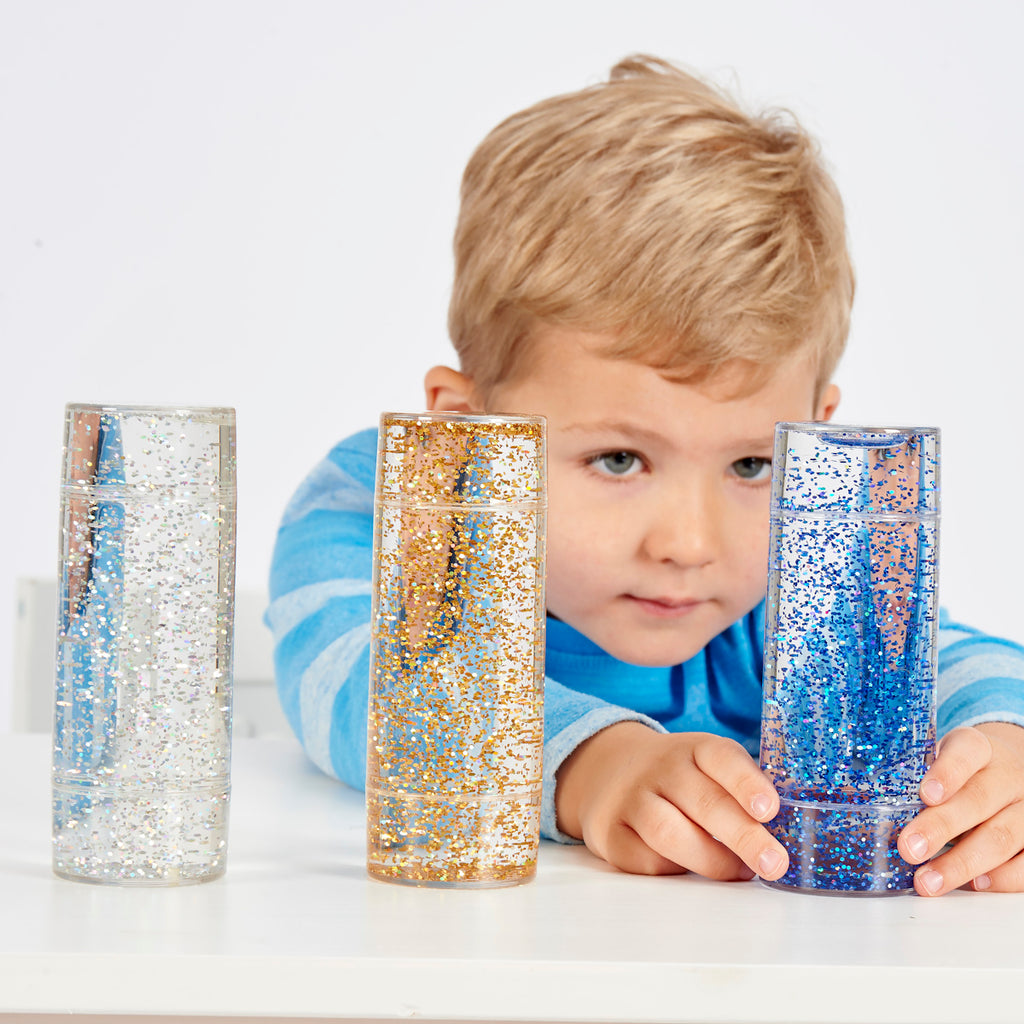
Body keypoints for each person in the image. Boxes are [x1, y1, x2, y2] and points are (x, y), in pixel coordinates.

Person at [268, 55, 1024, 896]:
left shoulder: (787, 560)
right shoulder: (386, 516)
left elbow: (950, 657)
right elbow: (367, 689)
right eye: (619, 460)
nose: (689, 543)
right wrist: (590, 765)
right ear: (463, 435)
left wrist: (997, 747)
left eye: (751, 464)